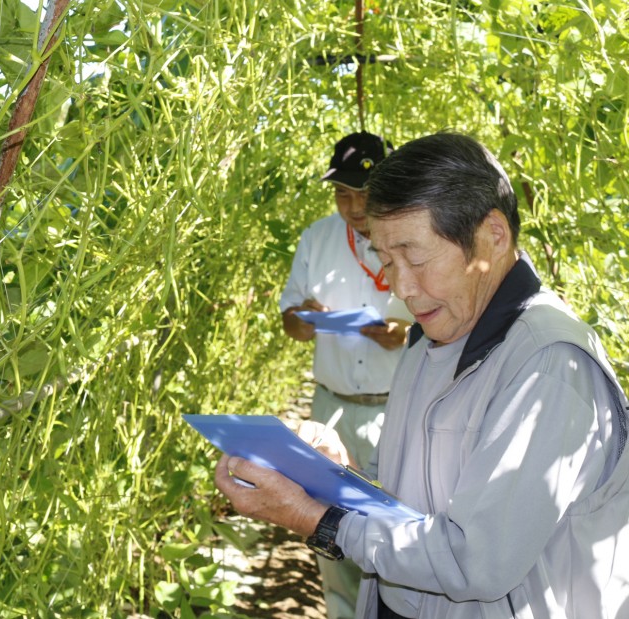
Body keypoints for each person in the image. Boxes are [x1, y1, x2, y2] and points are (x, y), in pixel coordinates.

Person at [217, 132, 629, 618]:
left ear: (492, 236)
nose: (403, 288)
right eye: (387, 262)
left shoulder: (549, 370)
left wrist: (318, 519)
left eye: (415, 257)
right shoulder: (430, 343)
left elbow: (473, 559)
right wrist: (332, 472)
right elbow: (404, 490)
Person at [278, 131, 412, 619]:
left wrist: (405, 334)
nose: (354, 206)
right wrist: (305, 317)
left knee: (389, 535)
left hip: (393, 410)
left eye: (365, 192)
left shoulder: (413, 236)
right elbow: (291, 327)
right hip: (329, 410)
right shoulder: (317, 239)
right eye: (342, 193)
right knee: (327, 529)